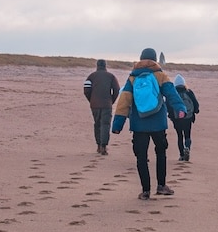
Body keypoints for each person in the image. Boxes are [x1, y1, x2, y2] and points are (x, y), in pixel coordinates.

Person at [111, 48, 186, 200]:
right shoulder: (160, 75)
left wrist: (118, 124)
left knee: (141, 157)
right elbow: (172, 93)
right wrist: (180, 109)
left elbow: (124, 101)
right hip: (158, 122)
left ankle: (145, 191)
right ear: (155, 59)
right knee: (161, 153)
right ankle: (161, 186)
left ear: (140, 58)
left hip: (139, 123)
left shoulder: (132, 77)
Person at [84, 59, 120, 155]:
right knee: (105, 125)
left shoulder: (91, 76)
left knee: (97, 124)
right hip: (106, 104)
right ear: (105, 65)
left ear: (97, 65)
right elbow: (117, 90)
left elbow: (86, 90)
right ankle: (104, 146)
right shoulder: (111, 76)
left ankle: (98, 146)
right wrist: (111, 100)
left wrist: (91, 100)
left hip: (94, 104)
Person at [169, 74, 200, 162]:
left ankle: (182, 155)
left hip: (177, 118)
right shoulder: (189, 92)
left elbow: (169, 105)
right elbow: (195, 104)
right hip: (188, 117)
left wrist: (171, 116)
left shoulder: (173, 93)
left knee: (179, 135)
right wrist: (195, 111)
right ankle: (187, 148)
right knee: (187, 135)